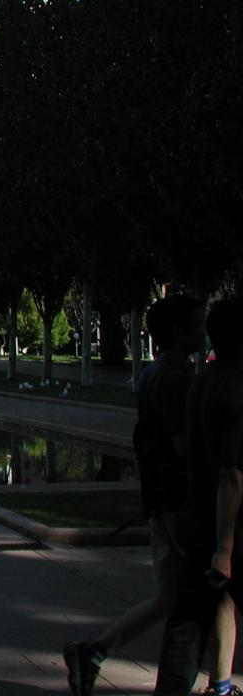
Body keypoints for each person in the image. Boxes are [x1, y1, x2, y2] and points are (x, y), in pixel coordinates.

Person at [65, 295, 235, 696]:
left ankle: (93, 650)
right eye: (195, 325)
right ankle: (221, 684)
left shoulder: (154, 374)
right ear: (176, 332)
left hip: (163, 500)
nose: (202, 333)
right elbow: (181, 444)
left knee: (171, 596)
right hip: (182, 503)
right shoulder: (177, 380)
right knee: (216, 590)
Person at [151, 296, 243, 696]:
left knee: (187, 627)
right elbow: (232, 475)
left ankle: (209, 685)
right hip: (229, 530)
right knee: (192, 618)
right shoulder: (235, 391)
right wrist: (226, 547)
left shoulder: (200, 381)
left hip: (196, 521)